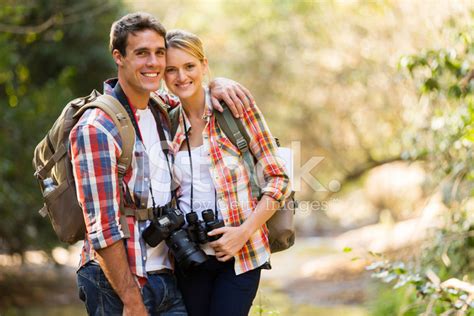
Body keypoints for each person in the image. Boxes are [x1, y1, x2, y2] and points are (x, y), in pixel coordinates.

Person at [69, 12, 253, 316]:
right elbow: (102, 228)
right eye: (141, 53)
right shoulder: (96, 128)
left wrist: (217, 83)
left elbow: (193, 92)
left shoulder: (161, 110)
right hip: (118, 284)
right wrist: (131, 300)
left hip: (166, 276)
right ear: (119, 57)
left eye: (158, 53)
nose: (153, 63)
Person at [165, 29, 290, 316]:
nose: (181, 77)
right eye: (171, 70)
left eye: (189, 66)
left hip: (241, 254)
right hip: (189, 257)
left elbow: (279, 178)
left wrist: (243, 232)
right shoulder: (166, 118)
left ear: (204, 65)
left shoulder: (234, 110)